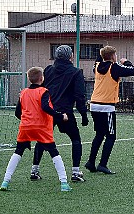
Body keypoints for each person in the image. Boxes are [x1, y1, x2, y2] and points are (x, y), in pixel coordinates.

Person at [0, 67, 72, 192]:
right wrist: (60, 116)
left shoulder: (23, 92)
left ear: (29, 79)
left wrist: (27, 121)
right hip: (42, 128)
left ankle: (5, 181)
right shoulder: (44, 91)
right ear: (42, 78)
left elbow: (18, 113)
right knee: (54, 152)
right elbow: (45, 107)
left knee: (18, 152)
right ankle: (64, 183)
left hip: (25, 127)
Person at [30, 45, 89, 182]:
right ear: (70, 56)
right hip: (65, 113)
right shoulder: (76, 72)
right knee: (75, 139)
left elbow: (40, 90)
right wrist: (84, 114)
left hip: (48, 111)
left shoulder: (49, 70)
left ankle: (34, 170)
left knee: (42, 139)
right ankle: (75, 172)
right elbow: (80, 96)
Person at [85, 45, 134, 174]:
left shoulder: (96, 67)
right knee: (111, 136)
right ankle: (102, 164)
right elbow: (132, 70)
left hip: (94, 105)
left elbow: (98, 59)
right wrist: (125, 62)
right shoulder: (114, 68)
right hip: (106, 106)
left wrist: (103, 53)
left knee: (99, 134)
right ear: (113, 56)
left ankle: (91, 162)